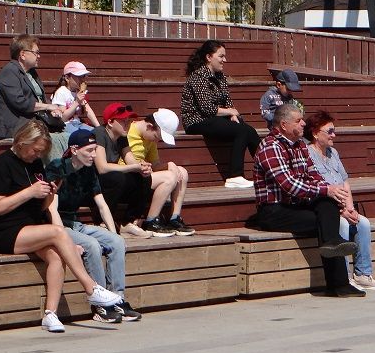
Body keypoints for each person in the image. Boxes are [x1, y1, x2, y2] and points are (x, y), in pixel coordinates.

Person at [0, 120, 122, 333]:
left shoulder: (36, 164)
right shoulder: (2, 164)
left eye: (41, 152)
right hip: (4, 230)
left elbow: (44, 207)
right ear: (22, 142)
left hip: (30, 226)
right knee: (58, 233)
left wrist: (50, 194)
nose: (37, 155)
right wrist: (29, 192)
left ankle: (51, 314)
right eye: (35, 150)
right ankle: (91, 288)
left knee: (57, 256)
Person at [253, 104, 361, 297]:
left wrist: (335, 197)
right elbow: (289, 185)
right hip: (273, 211)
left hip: (296, 206)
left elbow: (314, 176)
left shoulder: (300, 145)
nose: (303, 123)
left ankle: (338, 276)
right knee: (326, 222)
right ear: (283, 125)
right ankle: (338, 284)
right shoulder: (270, 146)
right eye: (298, 120)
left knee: (327, 207)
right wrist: (326, 189)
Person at [45, 128, 141, 323]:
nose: (94, 155)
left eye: (95, 149)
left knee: (117, 242)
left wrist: (114, 234)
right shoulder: (57, 168)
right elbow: (50, 208)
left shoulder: (89, 170)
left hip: (75, 223)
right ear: (74, 150)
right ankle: (100, 305)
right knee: (92, 245)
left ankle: (117, 299)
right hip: (58, 225)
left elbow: (102, 203)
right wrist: (63, 236)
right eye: (89, 150)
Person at [304, 111, 375, 290]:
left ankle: (363, 274)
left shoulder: (333, 153)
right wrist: (341, 211)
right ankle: (343, 278)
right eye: (330, 131)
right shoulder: (308, 154)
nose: (334, 135)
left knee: (362, 223)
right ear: (315, 133)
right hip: (325, 208)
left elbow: (345, 182)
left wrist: (350, 208)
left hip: (343, 206)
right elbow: (318, 188)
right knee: (340, 225)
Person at [181, 40, 260, 189]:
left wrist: (233, 115)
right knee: (241, 130)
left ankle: (267, 171)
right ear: (209, 57)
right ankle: (235, 176)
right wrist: (230, 111)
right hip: (196, 121)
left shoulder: (220, 77)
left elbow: (228, 101)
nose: (225, 60)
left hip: (214, 120)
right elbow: (206, 108)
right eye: (221, 56)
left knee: (249, 130)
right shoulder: (198, 77)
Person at [126, 109, 194, 237]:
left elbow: (155, 164)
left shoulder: (149, 138)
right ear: (150, 127)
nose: (156, 141)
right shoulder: (129, 132)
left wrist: (170, 165)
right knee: (169, 177)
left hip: (145, 175)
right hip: (131, 178)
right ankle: (151, 221)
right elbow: (126, 164)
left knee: (182, 172)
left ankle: (174, 218)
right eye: (157, 137)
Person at [92, 102, 155, 239]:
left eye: (128, 120)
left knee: (144, 177)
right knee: (117, 177)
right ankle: (101, 221)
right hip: (92, 183)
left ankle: (129, 222)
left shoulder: (121, 137)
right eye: (122, 121)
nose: (127, 123)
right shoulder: (99, 133)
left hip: (110, 183)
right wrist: (134, 167)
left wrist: (142, 167)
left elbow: (130, 160)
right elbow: (102, 168)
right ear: (110, 122)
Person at [0, 33, 64, 142]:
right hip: (16, 127)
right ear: (23, 54)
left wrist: (53, 110)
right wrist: (47, 107)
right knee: (58, 139)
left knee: (72, 135)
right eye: (36, 52)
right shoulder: (9, 72)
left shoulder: (31, 73)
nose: (39, 56)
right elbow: (20, 102)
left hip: (33, 124)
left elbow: (40, 98)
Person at [52, 61, 99, 136]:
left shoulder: (79, 91)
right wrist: (77, 102)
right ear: (67, 78)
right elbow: (63, 118)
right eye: (79, 76)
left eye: (83, 76)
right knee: (84, 136)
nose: (82, 79)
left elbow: (88, 110)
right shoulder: (61, 92)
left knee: (96, 133)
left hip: (78, 123)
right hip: (65, 125)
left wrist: (98, 127)